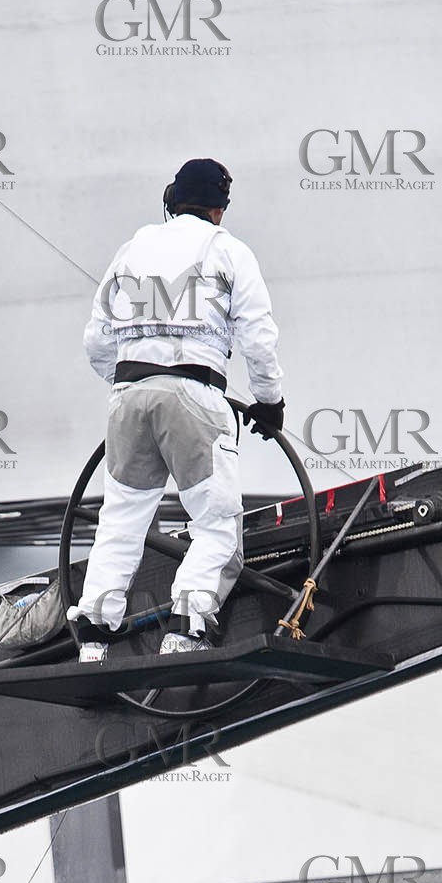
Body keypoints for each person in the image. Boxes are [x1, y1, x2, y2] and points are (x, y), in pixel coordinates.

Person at [71, 156, 285, 664]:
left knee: (120, 521)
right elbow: (258, 336)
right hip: (195, 397)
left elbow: (97, 338)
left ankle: (95, 636)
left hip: (127, 396)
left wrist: (133, 381)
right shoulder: (228, 250)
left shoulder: (133, 247)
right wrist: (270, 401)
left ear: (172, 198)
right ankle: (185, 628)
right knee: (216, 525)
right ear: (219, 208)